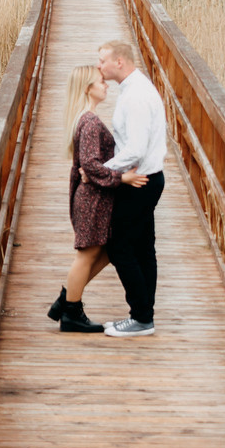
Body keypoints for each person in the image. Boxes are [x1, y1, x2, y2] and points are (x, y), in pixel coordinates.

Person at [95, 38, 166, 337]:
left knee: (120, 246)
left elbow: (135, 149)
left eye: (102, 60)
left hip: (139, 181)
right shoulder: (135, 88)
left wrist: (100, 170)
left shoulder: (136, 96)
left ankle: (141, 317)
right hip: (147, 177)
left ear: (119, 62)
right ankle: (143, 315)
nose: (99, 66)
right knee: (143, 247)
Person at [48, 66, 117, 334]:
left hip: (93, 198)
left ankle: (67, 299)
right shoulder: (90, 122)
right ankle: (72, 313)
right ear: (88, 88)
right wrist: (121, 177)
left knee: (107, 250)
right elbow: (89, 164)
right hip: (91, 200)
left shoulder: (86, 119)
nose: (106, 85)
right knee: (87, 254)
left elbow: (88, 164)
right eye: (101, 82)